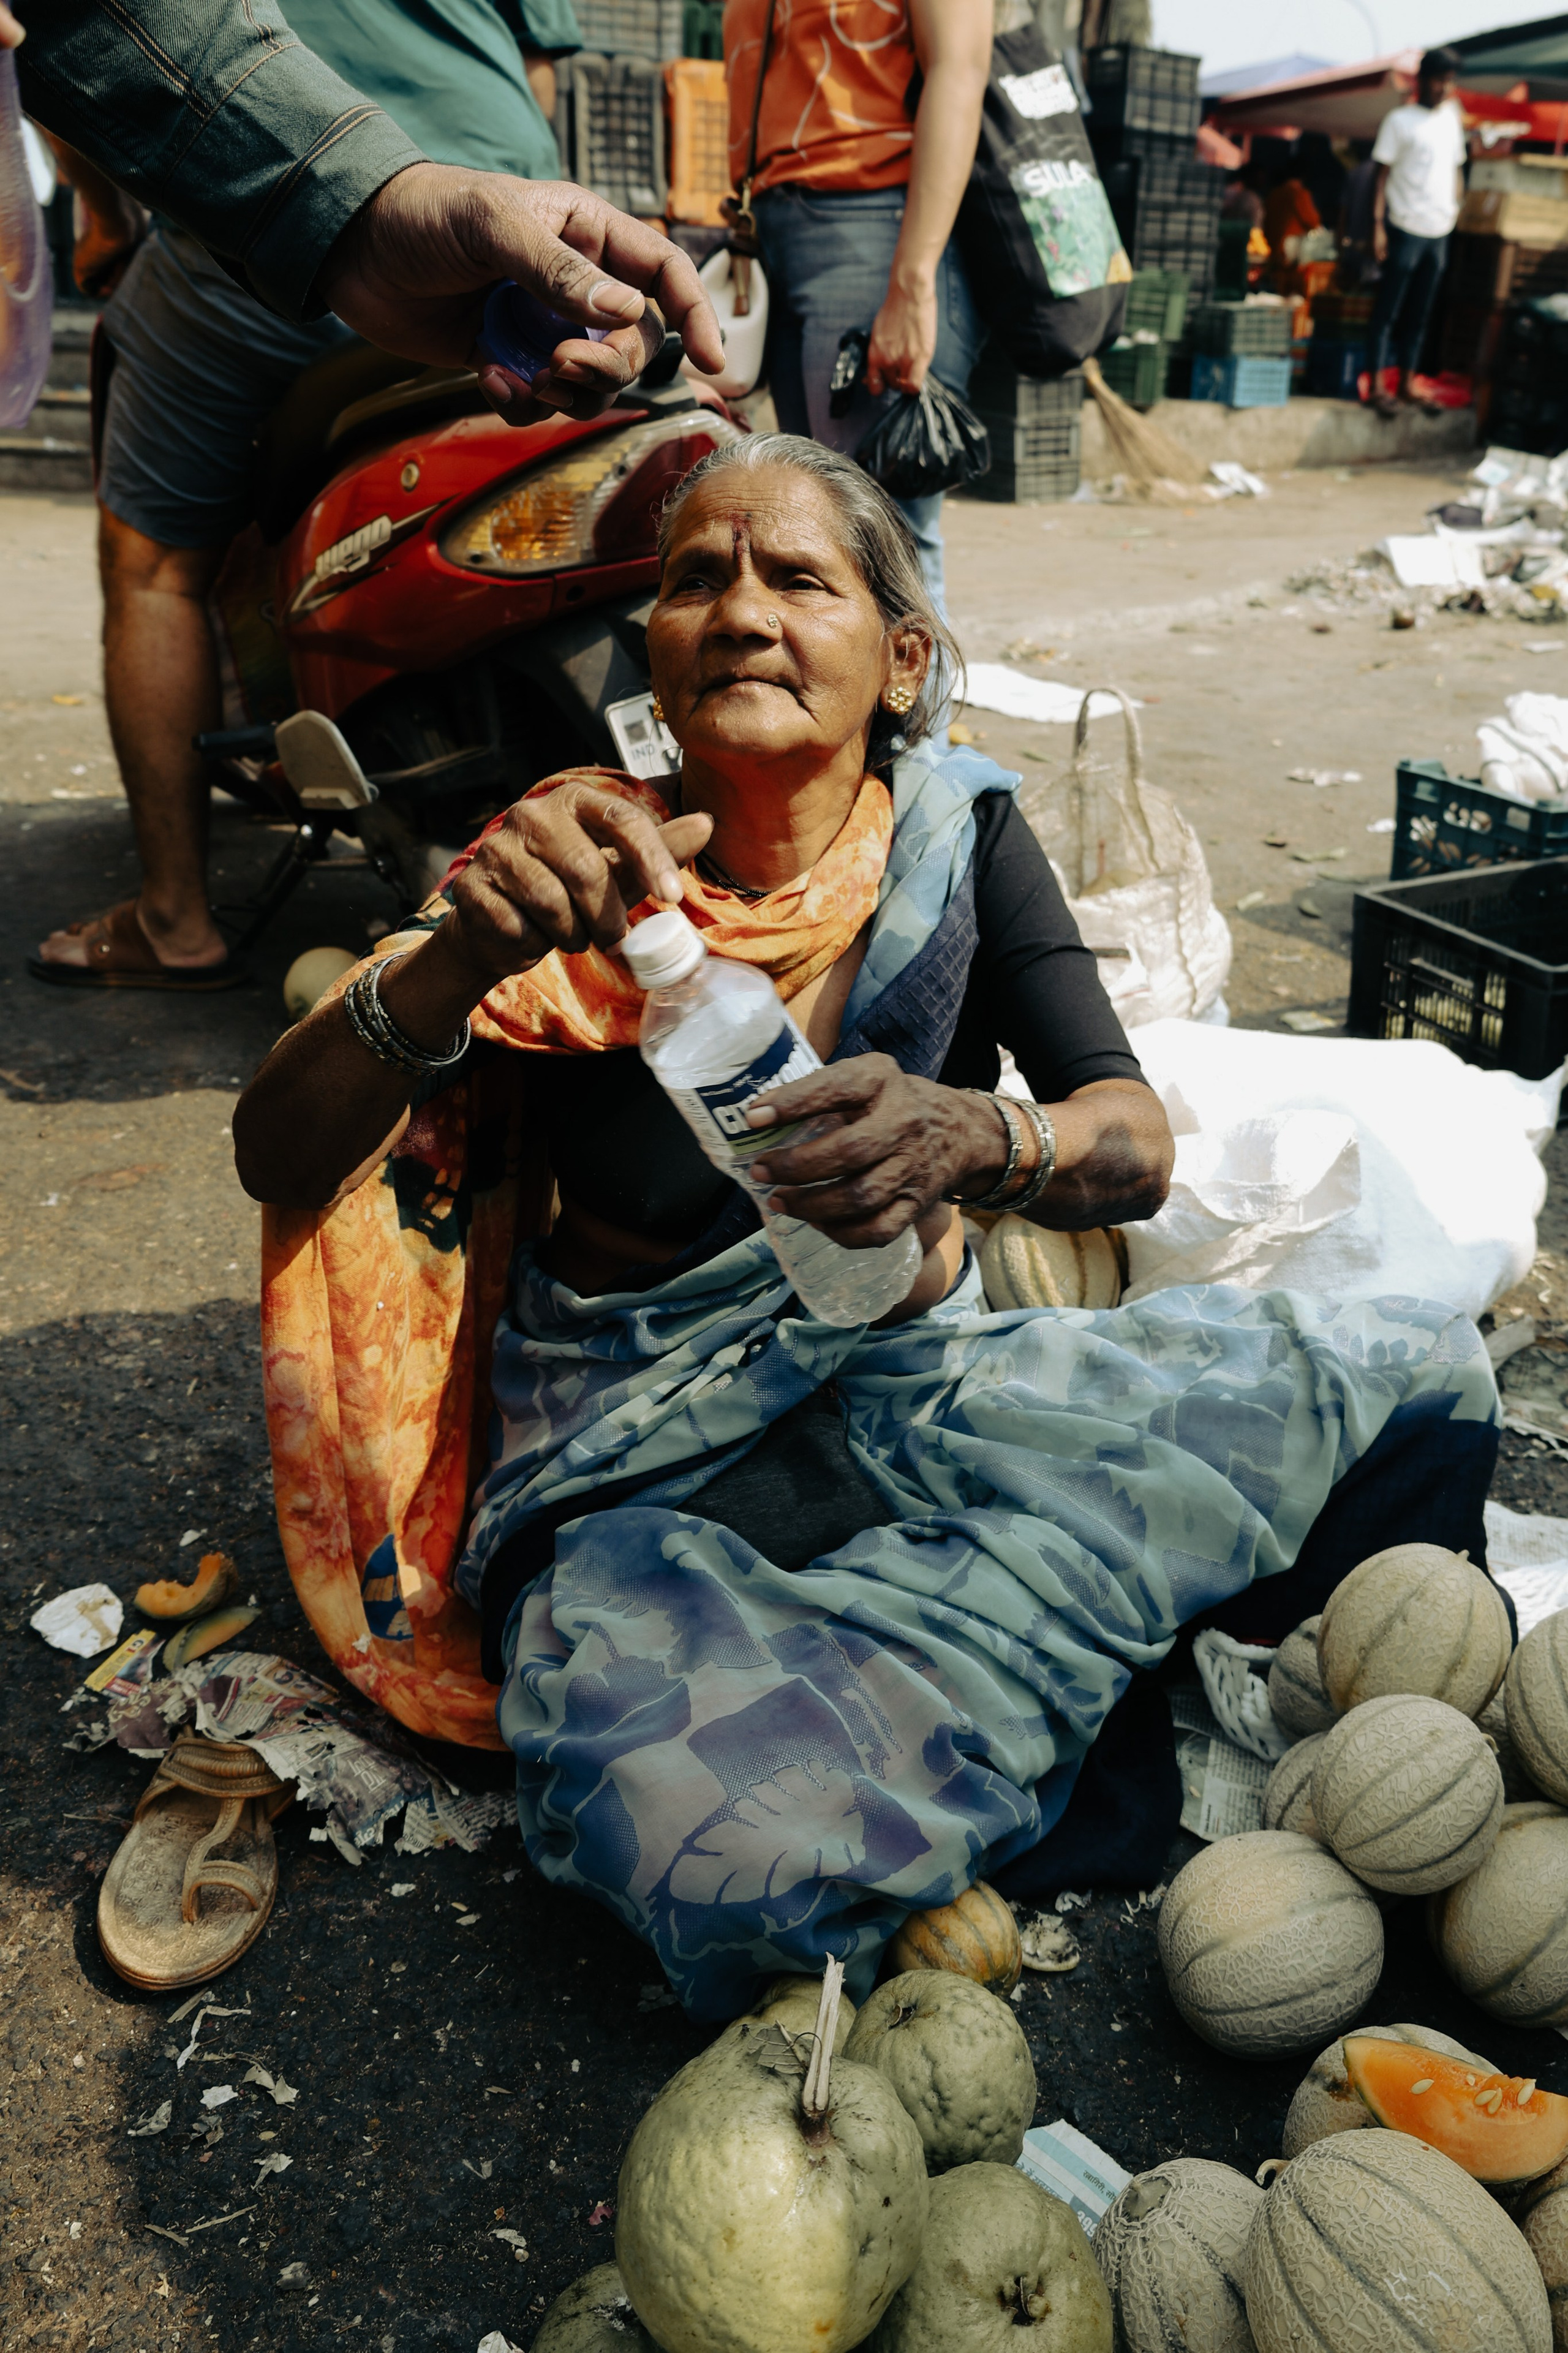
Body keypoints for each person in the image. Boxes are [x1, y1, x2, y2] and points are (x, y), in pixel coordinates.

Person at [232, 433, 1500, 2018]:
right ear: (653, 655)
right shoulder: (572, 860)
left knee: (1425, 1367)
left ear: (902, 658)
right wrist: (444, 961)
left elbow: (1135, 1138)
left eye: (797, 577)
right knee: (687, 1845)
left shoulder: (958, 833)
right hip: (654, 1450)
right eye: (697, 579)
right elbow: (278, 1152)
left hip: (926, 1380)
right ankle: (1075, 1694)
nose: (741, 608)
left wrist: (980, 1133)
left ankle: (1002, 1695)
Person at [4, 0, 722, 984]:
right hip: (508, 199)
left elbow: (87, 53)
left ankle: (174, 919)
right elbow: (542, 66)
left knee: (155, 567)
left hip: (264, 207)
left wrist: (102, 212)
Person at [723, 0, 992, 613]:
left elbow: (960, 64)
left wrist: (913, 279)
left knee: (884, 544)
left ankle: (913, 713)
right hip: (774, 223)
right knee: (823, 530)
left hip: (873, 223)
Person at [1366, 47, 1467, 418]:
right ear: (1422, 81)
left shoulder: (1452, 120)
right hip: (1404, 227)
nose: (1444, 88)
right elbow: (1380, 177)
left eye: (1449, 80)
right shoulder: (1399, 121)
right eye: (1439, 79)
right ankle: (1377, 386)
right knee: (1388, 310)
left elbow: (1457, 167)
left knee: (1422, 313)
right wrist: (1377, 227)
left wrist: (1456, 206)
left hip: (1439, 229)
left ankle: (1407, 384)